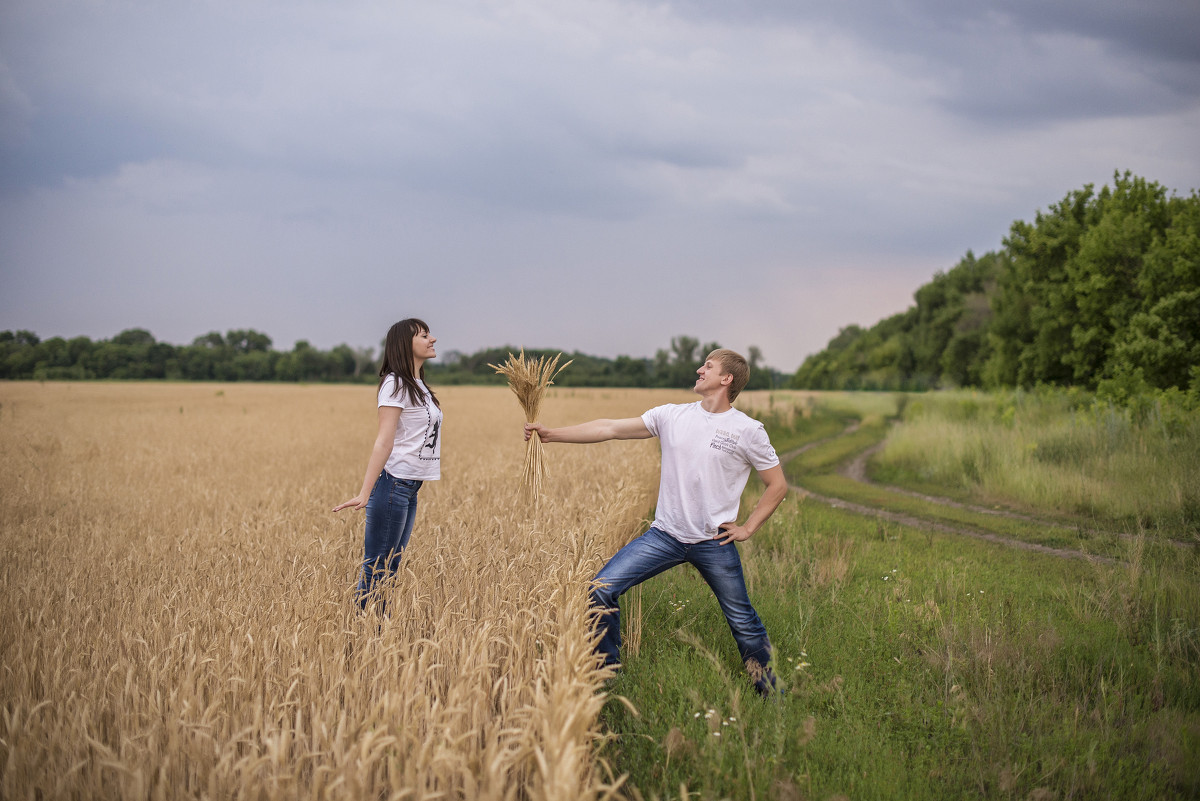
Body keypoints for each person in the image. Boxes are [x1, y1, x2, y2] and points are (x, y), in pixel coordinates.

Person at [524, 348, 789, 695]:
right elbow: (610, 428)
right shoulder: (671, 416)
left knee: (743, 621)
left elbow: (778, 484)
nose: (699, 370)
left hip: (713, 542)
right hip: (664, 535)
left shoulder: (748, 430)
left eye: (707, 367)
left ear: (727, 379)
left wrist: (747, 528)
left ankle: (771, 692)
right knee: (599, 591)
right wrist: (552, 434)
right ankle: (607, 676)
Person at [334, 318, 442, 610]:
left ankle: (378, 639)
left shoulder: (418, 385)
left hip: (409, 488)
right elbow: (384, 441)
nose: (432, 339)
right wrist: (365, 492)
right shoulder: (395, 383)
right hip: (393, 485)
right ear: (404, 344)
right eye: (424, 335)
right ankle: (363, 640)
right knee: (377, 571)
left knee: (389, 570)